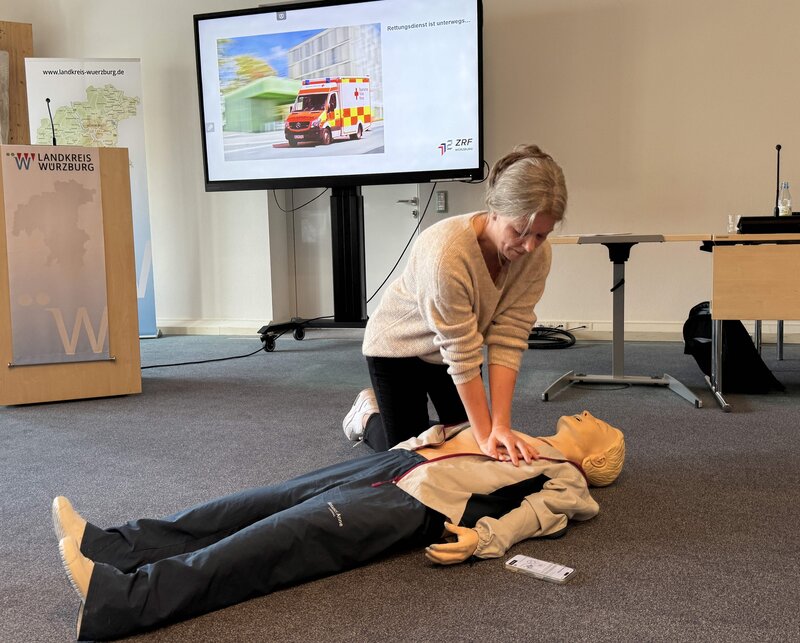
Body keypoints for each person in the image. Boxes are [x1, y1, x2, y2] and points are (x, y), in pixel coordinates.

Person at [54, 411, 624, 641]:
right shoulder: (523, 433)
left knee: (276, 539)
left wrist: (485, 540)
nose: (585, 414)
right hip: (395, 463)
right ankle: (114, 544)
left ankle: (121, 600)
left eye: (596, 423)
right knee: (253, 504)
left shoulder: (567, 476)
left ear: (598, 455)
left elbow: (539, 514)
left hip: (410, 504)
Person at [343, 144, 567, 461]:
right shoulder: (447, 254)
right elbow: (461, 352)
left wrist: (500, 427)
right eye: (520, 231)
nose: (530, 246)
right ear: (494, 210)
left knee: (467, 448)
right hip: (399, 350)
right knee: (411, 459)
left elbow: (509, 335)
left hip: (454, 347)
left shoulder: (536, 256)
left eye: (541, 235)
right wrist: (485, 435)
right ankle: (367, 417)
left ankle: (438, 432)